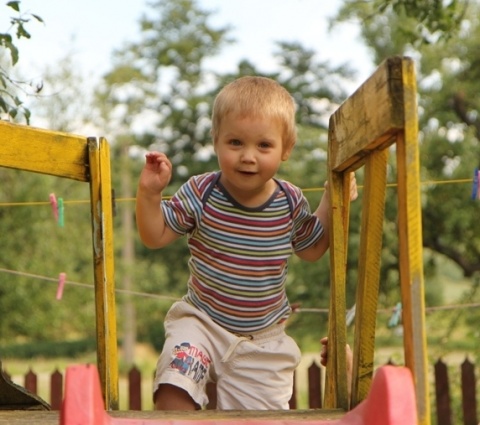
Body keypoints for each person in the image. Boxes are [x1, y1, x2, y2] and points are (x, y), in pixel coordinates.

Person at [136, 75, 358, 411]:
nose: (248, 157)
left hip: (262, 341)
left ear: (286, 149)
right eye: (235, 142)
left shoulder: (289, 201)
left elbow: (312, 248)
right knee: (175, 385)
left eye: (264, 146)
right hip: (201, 324)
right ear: (216, 141)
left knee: (260, 419)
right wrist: (150, 194)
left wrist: (332, 198)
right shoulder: (201, 192)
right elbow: (155, 236)